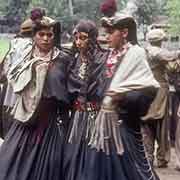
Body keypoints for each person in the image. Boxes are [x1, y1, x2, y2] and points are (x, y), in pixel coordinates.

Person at [81, 14, 160, 180]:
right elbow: (96, 86)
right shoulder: (106, 56)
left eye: (111, 32)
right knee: (98, 167)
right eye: (105, 32)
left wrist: (124, 97)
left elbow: (149, 90)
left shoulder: (136, 54)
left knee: (129, 169)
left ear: (124, 33)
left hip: (124, 124)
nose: (106, 37)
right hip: (102, 124)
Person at [0, 10, 72, 180]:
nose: (46, 38)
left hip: (53, 122)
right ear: (34, 36)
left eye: (49, 34)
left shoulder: (63, 59)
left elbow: (68, 89)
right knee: (12, 162)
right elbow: (11, 79)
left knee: (51, 166)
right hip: (26, 119)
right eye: (41, 34)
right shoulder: (24, 59)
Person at [63, 20, 108, 180]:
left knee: (93, 157)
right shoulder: (72, 60)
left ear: (93, 38)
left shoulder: (102, 60)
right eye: (76, 38)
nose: (78, 42)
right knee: (72, 155)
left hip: (96, 117)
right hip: (76, 118)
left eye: (83, 38)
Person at [141, 28, 180, 168]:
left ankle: (154, 156)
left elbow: (170, 67)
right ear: (159, 41)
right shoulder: (153, 51)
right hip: (158, 93)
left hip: (151, 92)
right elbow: (169, 58)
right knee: (160, 126)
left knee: (151, 125)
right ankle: (156, 156)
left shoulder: (148, 51)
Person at [0, 15, 33, 139]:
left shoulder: (14, 44)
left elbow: (2, 74)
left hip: (8, 93)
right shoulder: (34, 47)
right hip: (24, 95)